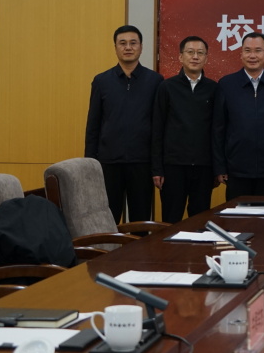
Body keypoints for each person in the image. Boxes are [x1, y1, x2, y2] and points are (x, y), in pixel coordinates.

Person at [85, 24, 163, 224]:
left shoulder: (155, 81)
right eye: (123, 43)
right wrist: (90, 166)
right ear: (115, 48)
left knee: (140, 223)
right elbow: (93, 126)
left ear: (141, 47)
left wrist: (157, 167)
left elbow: (159, 128)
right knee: (108, 221)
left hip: (142, 163)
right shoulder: (102, 81)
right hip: (108, 164)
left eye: (133, 43)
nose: (128, 47)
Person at [151, 36, 217, 223]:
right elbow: (157, 129)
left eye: (200, 53)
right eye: (190, 52)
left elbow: (217, 130)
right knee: (171, 221)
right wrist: (157, 169)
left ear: (206, 58)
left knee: (200, 221)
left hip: (204, 168)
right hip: (173, 167)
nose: (195, 57)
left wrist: (217, 168)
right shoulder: (166, 87)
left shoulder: (214, 89)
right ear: (180, 57)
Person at [212, 32, 264, 199]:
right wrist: (220, 166)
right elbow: (218, 129)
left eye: (258, 50)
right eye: (247, 50)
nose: (252, 56)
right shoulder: (226, 84)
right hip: (235, 169)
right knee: (237, 213)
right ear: (241, 54)